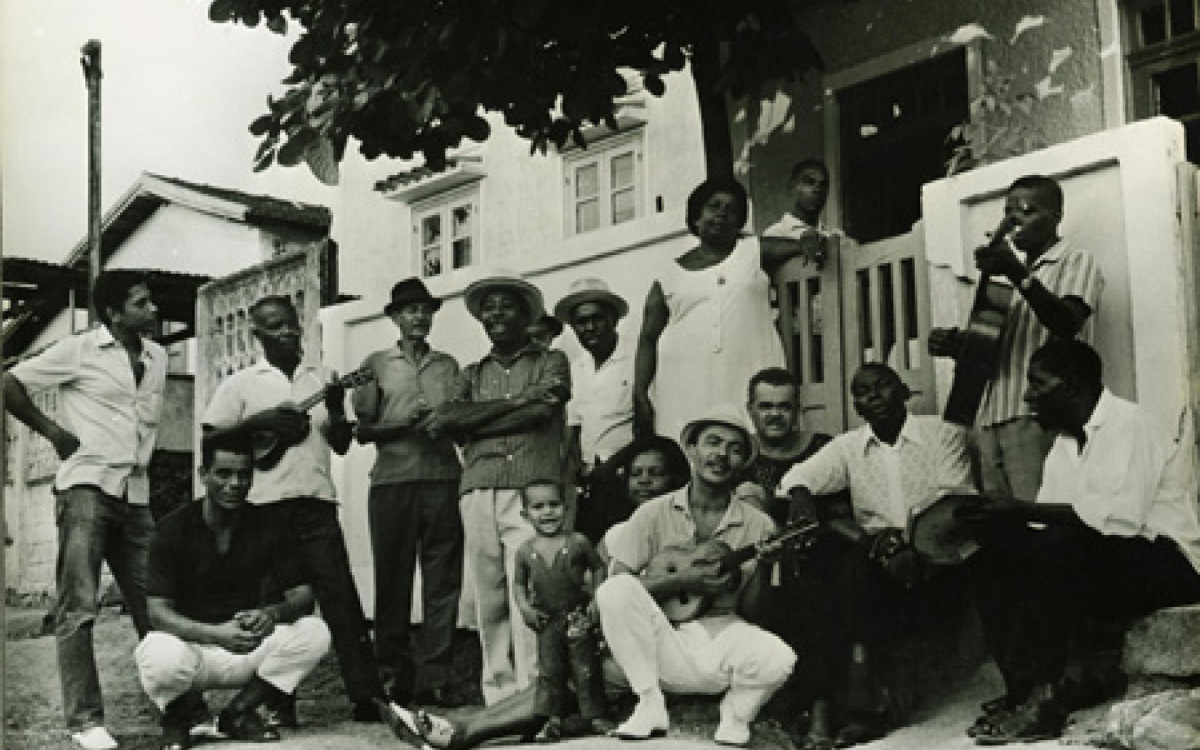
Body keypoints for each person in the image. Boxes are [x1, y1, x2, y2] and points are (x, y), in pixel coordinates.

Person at [377, 437, 693, 750]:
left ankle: (464, 732)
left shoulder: (681, 529)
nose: (645, 482)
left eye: (656, 474)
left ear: (676, 480)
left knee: (564, 678)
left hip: (654, 645)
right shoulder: (617, 532)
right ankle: (461, 727)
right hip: (607, 642)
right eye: (637, 474)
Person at [957, 340, 1200, 744]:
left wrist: (1020, 511)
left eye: (1038, 384)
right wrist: (1001, 524)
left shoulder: (1130, 424)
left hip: (1169, 564)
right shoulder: (1064, 447)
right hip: (1105, 563)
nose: (1027, 396)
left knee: (1057, 547)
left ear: (1071, 387)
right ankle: (1022, 689)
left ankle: (1047, 703)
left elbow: (1121, 521)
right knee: (990, 555)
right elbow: (1043, 530)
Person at [3, 270, 167, 750]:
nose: (153, 309)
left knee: (156, 603)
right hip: (85, 490)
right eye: (141, 303)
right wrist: (53, 433)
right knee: (79, 607)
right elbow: (9, 382)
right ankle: (85, 721)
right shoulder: (79, 351)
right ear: (113, 313)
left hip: (135, 494)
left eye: (152, 301)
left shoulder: (157, 357)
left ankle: (181, 709)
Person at [201, 295, 384, 723]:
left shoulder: (322, 377)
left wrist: (337, 408)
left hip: (317, 503)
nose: (285, 332)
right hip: (263, 510)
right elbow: (212, 441)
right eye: (274, 326)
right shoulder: (242, 384)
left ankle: (366, 696)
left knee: (341, 600)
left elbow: (339, 443)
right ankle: (276, 703)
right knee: (273, 606)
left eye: (289, 324)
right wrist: (259, 423)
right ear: (258, 335)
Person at [778, 363, 972, 748]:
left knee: (850, 575)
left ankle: (850, 708)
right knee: (836, 571)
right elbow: (795, 476)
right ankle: (847, 701)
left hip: (937, 558)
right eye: (862, 393)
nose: (872, 398)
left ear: (903, 390)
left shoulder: (943, 434)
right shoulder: (849, 447)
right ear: (857, 406)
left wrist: (907, 545)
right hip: (877, 561)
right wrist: (802, 497)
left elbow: (955, 504)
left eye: (881, 387)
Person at [597, 404, 796, 747]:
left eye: (735, 449)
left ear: (743, 463)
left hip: (722, 640)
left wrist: (764, 565)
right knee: (614, 591)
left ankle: (736, 714)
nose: (721, 455)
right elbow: (618, 588)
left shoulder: (758, 524)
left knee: (779, 658)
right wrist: (682, 581)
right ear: (691, 449)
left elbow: (755, 613)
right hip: (658, 645)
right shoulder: (653, 512)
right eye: (713, 442)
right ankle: (649, 703)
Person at [416, 274, 570, 705]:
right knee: (490, 591)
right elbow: (445, 420)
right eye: (489, 308)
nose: (496, 314)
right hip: (479, 487)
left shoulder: (551, 361)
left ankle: (536, 691)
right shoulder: (469, 373)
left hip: (531, 486)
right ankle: (499, 694)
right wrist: (521, 403)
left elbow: (545, 411)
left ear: (526, 315)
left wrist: (478, 418)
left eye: (507, 306)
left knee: (531, 587)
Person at [134, 432, 331, 750]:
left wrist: (271, 614)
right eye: (223, 473)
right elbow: (157, 613)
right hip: (194, 648)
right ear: (203, 475)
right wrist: (215, 634)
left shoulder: (269, 524)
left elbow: (303, 595)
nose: (234, 484)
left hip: (247, 644)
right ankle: (177, 717)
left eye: (243, 474)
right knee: (157, 654)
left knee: (314, 632)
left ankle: (239, 712)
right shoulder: (172, 530)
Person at [929, 175, 1104, 502]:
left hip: (1037, 419)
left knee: (1039, 519)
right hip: (990, 416)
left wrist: (1017, 274)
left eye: (1025, 211)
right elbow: (992, 348)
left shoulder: (1076, 261)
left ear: (1055, 216)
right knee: (1003, 531)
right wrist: (957, 345)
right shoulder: (1003, 280)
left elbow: (1067, 323)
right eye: (1008, 212)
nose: (1013, 221)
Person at [352, 278, 463, 706]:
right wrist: (403, 424)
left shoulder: (449, 366)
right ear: (395, 318)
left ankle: (435, 677)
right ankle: (394, 674)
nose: (418, 317)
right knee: (392, 579)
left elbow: (459, 417)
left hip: (443, 479)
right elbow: (362, 430)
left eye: (424, 310)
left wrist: (444, 420)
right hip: (392, 482)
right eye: (409, 310)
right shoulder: (375, 364)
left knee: (442, 580)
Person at [633, 176, 805, 441]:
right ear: (696, 217)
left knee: (751, 442)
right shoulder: (669, 273)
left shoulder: (753, 251)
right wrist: (640, 392)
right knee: (691, 446)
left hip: (747, 367)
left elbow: (802, 248)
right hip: (683, 381)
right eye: (714, 207)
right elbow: (647, 338)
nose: (722, 215)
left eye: (732, 210)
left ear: (739, 222)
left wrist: (810, 240)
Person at [512, 481, 611, 741]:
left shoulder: (578, 542)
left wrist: (596, 600)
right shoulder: (524, 551)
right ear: (525, 514)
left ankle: (596, 716)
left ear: (565, 508)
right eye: (538, 507)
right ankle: (551, 720)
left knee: (585, 666)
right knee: (549, 670)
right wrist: (524, 608)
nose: (547, 512)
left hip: (577, 616)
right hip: (546, 620)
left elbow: (599, 568)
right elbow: (519, 584)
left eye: (553, 505)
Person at [553, 277, 635, 541]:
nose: (590, 328)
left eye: (597, 319)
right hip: (591, 483)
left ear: (614, 319)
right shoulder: (576, 369)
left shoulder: (636, 358)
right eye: (581, 322)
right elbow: (573, 428)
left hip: (630, 478)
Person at [736, 367, 835, 522]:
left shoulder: (823, 448)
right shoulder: (739, 451)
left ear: (797, 410)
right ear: (750, 410)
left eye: (784, 407)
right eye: (766, 406)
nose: (775, 414)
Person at [761, 159, 836, 269]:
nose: (817, 189)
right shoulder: (776, 233)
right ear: (793, 187)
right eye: (809, 182)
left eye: (823, 185)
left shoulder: (832, 235)